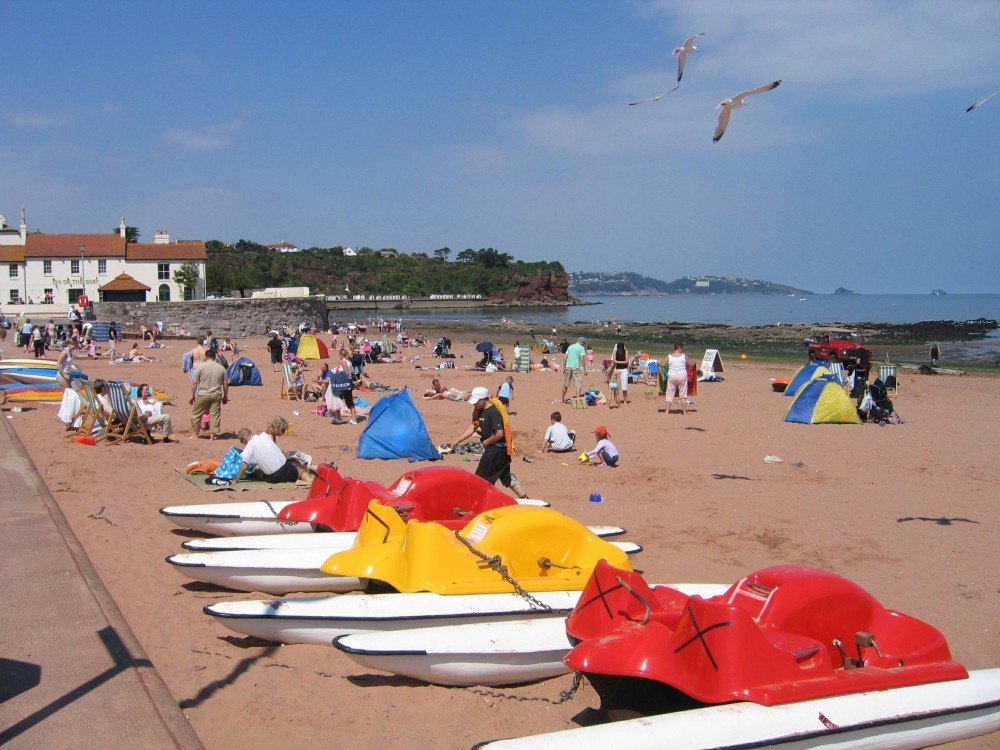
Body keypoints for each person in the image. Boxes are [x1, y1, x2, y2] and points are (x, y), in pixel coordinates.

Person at [451, 386, 528, 499]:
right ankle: (524, 498)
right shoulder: (481, 411)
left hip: (496, 450)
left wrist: (486, 442)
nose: (474, 405)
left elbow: (499, 434)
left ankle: (479, 502)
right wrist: (457, 440)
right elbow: (473, 427)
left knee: (480, 478)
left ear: (483, 399)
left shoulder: (493, 412)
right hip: (498, 452)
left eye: (476, 402)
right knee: (505, 476)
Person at [232, 418, 311, 484]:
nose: (243, 444)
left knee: (256, 472)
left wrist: (236, 479)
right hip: (287, 468)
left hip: (274, 477)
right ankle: (309, 480)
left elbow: (245, 465)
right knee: (301, 472)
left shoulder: (250, 445)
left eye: (242, 442)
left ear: (244, 437)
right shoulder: (264, 435)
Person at [189, 347, 228, 439]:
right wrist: (225, 396)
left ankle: (195, 434)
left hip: (203, 393)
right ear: (215, 357)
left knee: (196, 413)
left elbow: (195, 382)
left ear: (206, 357)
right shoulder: (221, 368)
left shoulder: (200, 367)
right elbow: (225, 383)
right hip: (216, 394)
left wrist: (192, 395)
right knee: (215, 415)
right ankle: (212, 435)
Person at [662, 342, 688, 415]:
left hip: (672, 375)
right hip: (682, 375)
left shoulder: (669, 356)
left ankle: (667, 411)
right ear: (679, 348)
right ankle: (684, 412)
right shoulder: (684, 356)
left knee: (669, 393)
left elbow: (662, 365)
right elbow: (690, 364)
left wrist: (658, 363)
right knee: (683, 394)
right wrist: (694, 362)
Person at [559, 336, 587, 403]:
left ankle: (562, 399)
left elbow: (565, 357)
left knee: (566, 384)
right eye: (584, 343)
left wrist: (564, 367)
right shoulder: (581, 348)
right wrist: (585, 369)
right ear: (581, 341)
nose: (584, 344)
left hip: (568, 367)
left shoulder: (570, 347)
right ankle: (577, 400)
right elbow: (582, 359)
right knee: (578, 384)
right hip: (576, 367)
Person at [609, 341, 630, 408]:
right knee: (616, 386)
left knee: (624, 386)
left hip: (624, 370)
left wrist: (619, 362)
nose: (619, 350)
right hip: (617, 370)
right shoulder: (615, 351)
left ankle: (625, 400)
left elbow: (626, 361)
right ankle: (616, 399)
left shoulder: (626, 351)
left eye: (620, 349)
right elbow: (614, 361)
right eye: (618, 348)